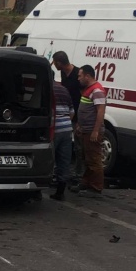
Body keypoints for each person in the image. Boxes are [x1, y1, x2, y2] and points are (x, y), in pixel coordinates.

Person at [72, 65, 107, 197]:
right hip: (86, 130)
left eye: (80, 75)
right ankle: (86, 182)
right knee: (87, 158)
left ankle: (96, 188)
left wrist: (95, 131)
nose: (78, 78)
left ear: (87, 76)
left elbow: (100, 112)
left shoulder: (97, 90)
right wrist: (80, 126)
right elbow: (86, 110)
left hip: (92, 132)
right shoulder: (89, 90)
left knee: (94, 159)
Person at [52, 50, 84, 185]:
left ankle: (79, 175)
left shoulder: (77, 74)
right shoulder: (63, 73)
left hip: (76, 115)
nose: (53, 65)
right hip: (67, 115)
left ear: (59, 62)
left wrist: (79, 120)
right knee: (65, 148)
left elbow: (83, 97)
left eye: (54, 62)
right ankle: (60, 173)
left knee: (79, 147)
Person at [50, 81, 74, 201]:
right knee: (64, 161)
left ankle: (37, 190)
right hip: (67, 128)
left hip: (53, 129)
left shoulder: (47, 88)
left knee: (48, 158)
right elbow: (72, 112)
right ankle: (60, 192)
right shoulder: (64, 90)